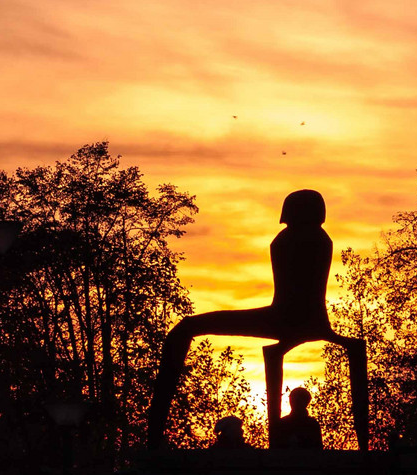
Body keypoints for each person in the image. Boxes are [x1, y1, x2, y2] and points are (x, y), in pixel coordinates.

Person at [146, 189, 369, 451]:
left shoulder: (294, 239)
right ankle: (154, 438)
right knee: (188, 327)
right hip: (300, 318)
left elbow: (295, 299)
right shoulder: (318, 238)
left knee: (187, 327)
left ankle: (153, 438)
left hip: (286, 319)